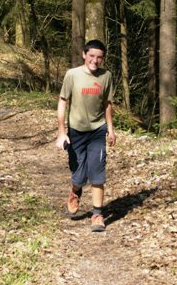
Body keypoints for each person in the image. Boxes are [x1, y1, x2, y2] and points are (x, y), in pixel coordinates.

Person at [56, 39, 116, 232]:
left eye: (99, 57)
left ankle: (97, 215)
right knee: (79, 175)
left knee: (97, 173)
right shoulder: (72, 75)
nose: (95, 61)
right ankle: (75, 190)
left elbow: (107, 103)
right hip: (76, 131)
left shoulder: (106, 76)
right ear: (84, 54)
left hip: (97, 131)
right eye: (91, 56)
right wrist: (61, 131)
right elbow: (63, 101)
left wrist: (111, 129)